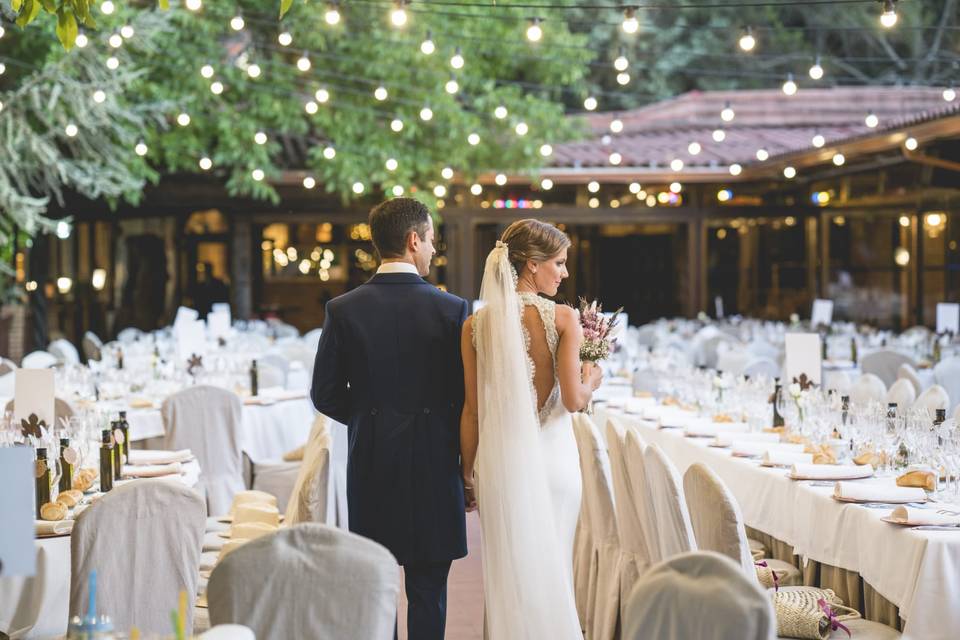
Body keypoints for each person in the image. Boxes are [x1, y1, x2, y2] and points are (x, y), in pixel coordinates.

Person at [310, 198, 468, 640]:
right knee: (429, 590)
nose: (434, 250)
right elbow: (463, 397)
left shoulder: (343, 309)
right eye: (432, 240)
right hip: (436, 463)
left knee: (377, 585)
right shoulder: (452, 310)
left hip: (373, 460)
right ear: (413, 240)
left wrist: (368, 419)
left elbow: (324, 394)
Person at [459, 219, 603, 638]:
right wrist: (593, 379)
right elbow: (575, 401)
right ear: (531, 264)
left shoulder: (474, 326)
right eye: (558, 263)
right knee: (554, 566)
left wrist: (467, 474)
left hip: (500, 469)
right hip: (555, 467)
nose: (564, 273)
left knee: (508, 576)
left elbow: (471, 411)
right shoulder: (563, 318)